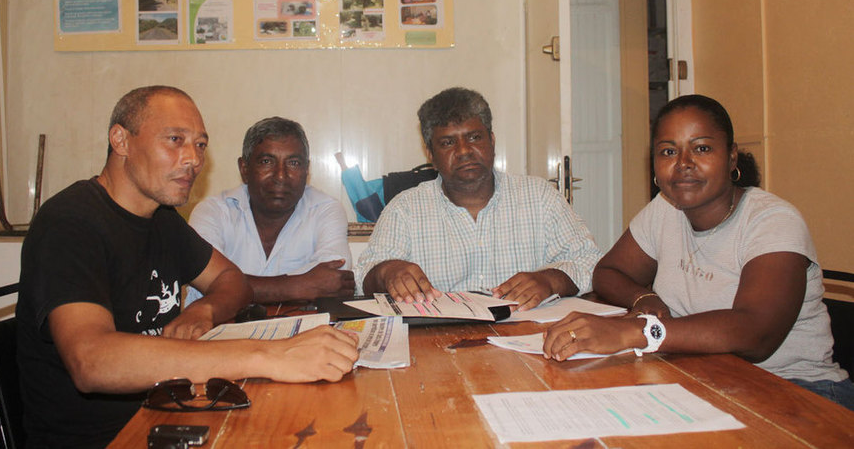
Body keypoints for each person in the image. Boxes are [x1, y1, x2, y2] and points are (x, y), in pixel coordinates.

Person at [15, 86, 359, 448]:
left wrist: (205, 309)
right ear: (121, 140)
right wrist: (269, 355)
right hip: (106, 438)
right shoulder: (70, 223)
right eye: (175, 140)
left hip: (170, 413)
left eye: (200, 145)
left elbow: (232, 280)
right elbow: (92, 362)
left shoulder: (161, 220)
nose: (193, 159)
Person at [543, 94, 854, 410]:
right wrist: (642, 298)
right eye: (668, 152)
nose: (683, 164)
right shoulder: (666, 209)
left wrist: (634, 332)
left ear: (732, 158)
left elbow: (756, 333)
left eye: (702, 148)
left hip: (798, 391)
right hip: (700, 377)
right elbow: (609, 272)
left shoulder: (772, 221)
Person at [355, 87, 601, 310]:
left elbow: (590, 262)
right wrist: (387, 272)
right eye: (448, 142)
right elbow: (362, 278)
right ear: (430, 154)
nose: (463, 151)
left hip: (527, 338)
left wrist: (550, 280)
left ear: (492, 141)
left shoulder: (540, 197)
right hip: (441, 342)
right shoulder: (404, 209)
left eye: (474, 137)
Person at [185, 116, 354, 305]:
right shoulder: (212, 212)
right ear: (244, 168)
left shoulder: (326, 209)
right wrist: (298, 286)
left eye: (293, 163)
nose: (280, 176)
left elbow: (334, 282)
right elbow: (204, 284)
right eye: (266, 161)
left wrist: (231, 288)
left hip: (303, 332)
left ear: (307, 170)